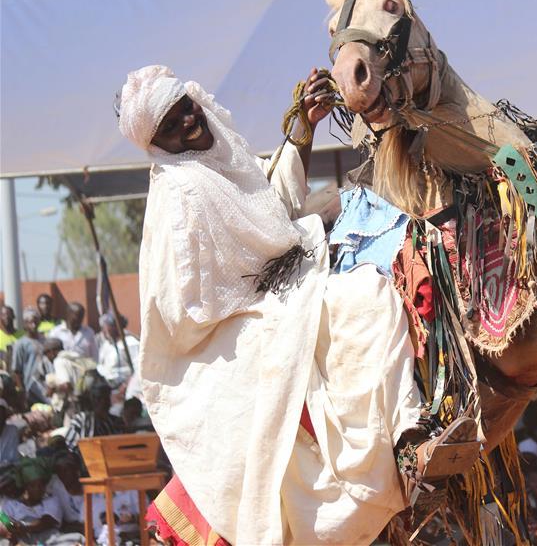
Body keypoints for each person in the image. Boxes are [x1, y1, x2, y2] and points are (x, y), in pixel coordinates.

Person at [117, 65, 476, 544]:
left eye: (184, 106)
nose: (187, 120)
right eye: (171, 123)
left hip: (274, 288)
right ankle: (405, 447)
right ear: (159, 142)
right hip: (230, 330)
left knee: (362, 284)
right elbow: (220, 281)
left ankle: (410, 435)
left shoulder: (215, 159)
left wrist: (303, 130)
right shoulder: (181, 188)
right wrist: (311, 228)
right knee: (363, 297)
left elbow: (270, 205)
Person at [95, 313, 140, 413]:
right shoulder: (106, 345)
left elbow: (138, 370)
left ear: (116, 326)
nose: (103, 331)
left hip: (126, 388)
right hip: (108, 388)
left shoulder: (130, 343)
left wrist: (124, 387)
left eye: (106, 327)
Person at [63, 380, 123, 451]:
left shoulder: (114, 422)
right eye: (103, 399)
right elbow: (70, 446)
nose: (108, 403)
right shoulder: (81, 420)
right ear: (95, 400)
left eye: (107, 399)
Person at [11, 309, 54, 407]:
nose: (33, 325)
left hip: (47, 385)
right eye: (30, 322)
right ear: (25, 324)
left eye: (35, 321)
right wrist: (21, 390)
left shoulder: (45, 340)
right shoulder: (20, 344)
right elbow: (16, 370)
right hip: (30, 387)